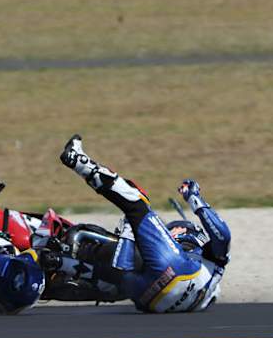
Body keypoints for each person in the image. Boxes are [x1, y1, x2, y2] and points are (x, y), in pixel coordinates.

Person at [59, 134, 231, 312]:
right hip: (150, 302)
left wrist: (194, 197)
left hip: (180, 274)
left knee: (137, 203)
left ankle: (78, 161)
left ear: (187, 233)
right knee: (118, 280)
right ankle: (61, 262)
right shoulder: (210, 276)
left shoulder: (211, 259)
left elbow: (223, 235)